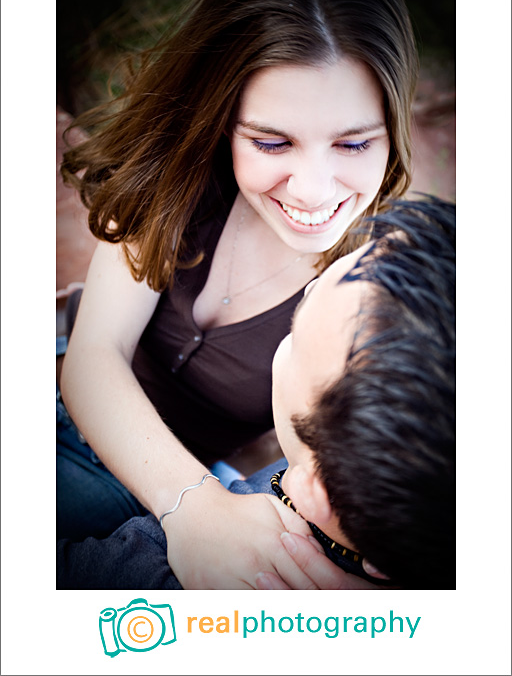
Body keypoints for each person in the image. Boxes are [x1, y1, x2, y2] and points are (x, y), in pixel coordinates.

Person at [58, 0, 419, 589]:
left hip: (206, 496)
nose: (310, 190)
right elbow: (95, 351)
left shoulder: (376, 283)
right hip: (79, 434)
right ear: (222, 120)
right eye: (271, 142)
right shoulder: (173, 178)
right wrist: (192, 505)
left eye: (354, 143)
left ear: (392, 132)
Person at [57, 198, 455, 590]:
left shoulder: (148, 577)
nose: (311, 283)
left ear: (308, 492)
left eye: (295, 334)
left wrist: (195, 502)